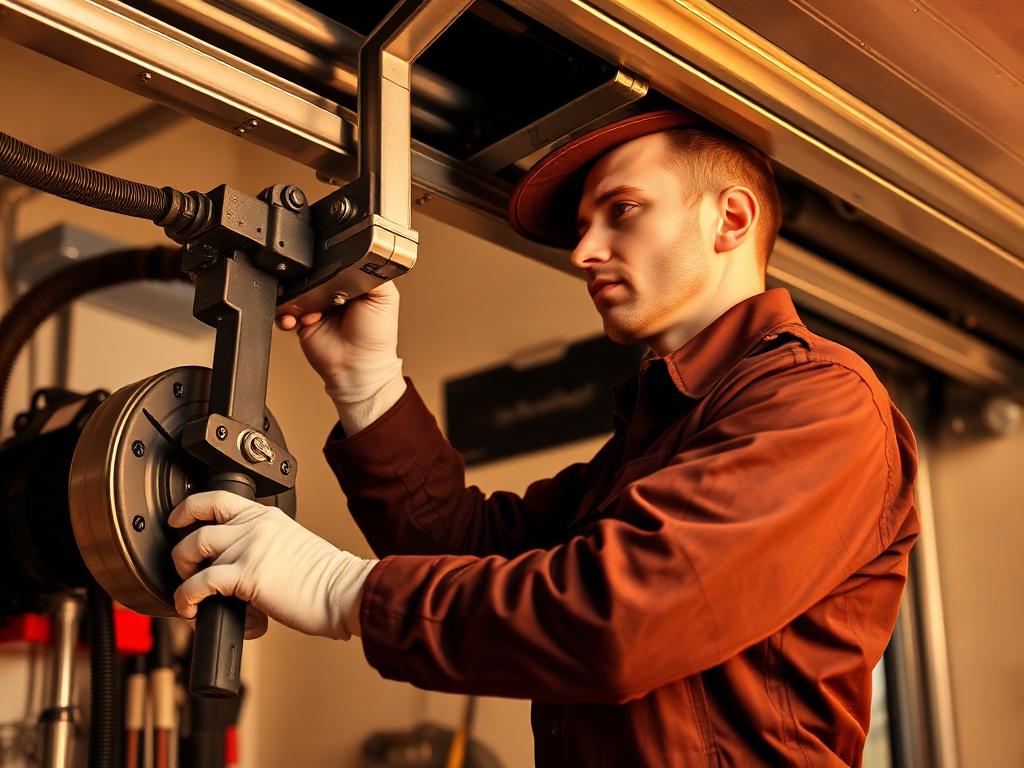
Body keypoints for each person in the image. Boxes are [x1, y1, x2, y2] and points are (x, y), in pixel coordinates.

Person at [168, 110, 920, 766]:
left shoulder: (821, 401)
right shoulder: (662, 431)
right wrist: (368, 385)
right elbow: (470, 548)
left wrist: (340, 589)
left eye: (622, 210)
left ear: (731, 219)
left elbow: (617, 618)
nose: (584, 251)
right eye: (586, 224)